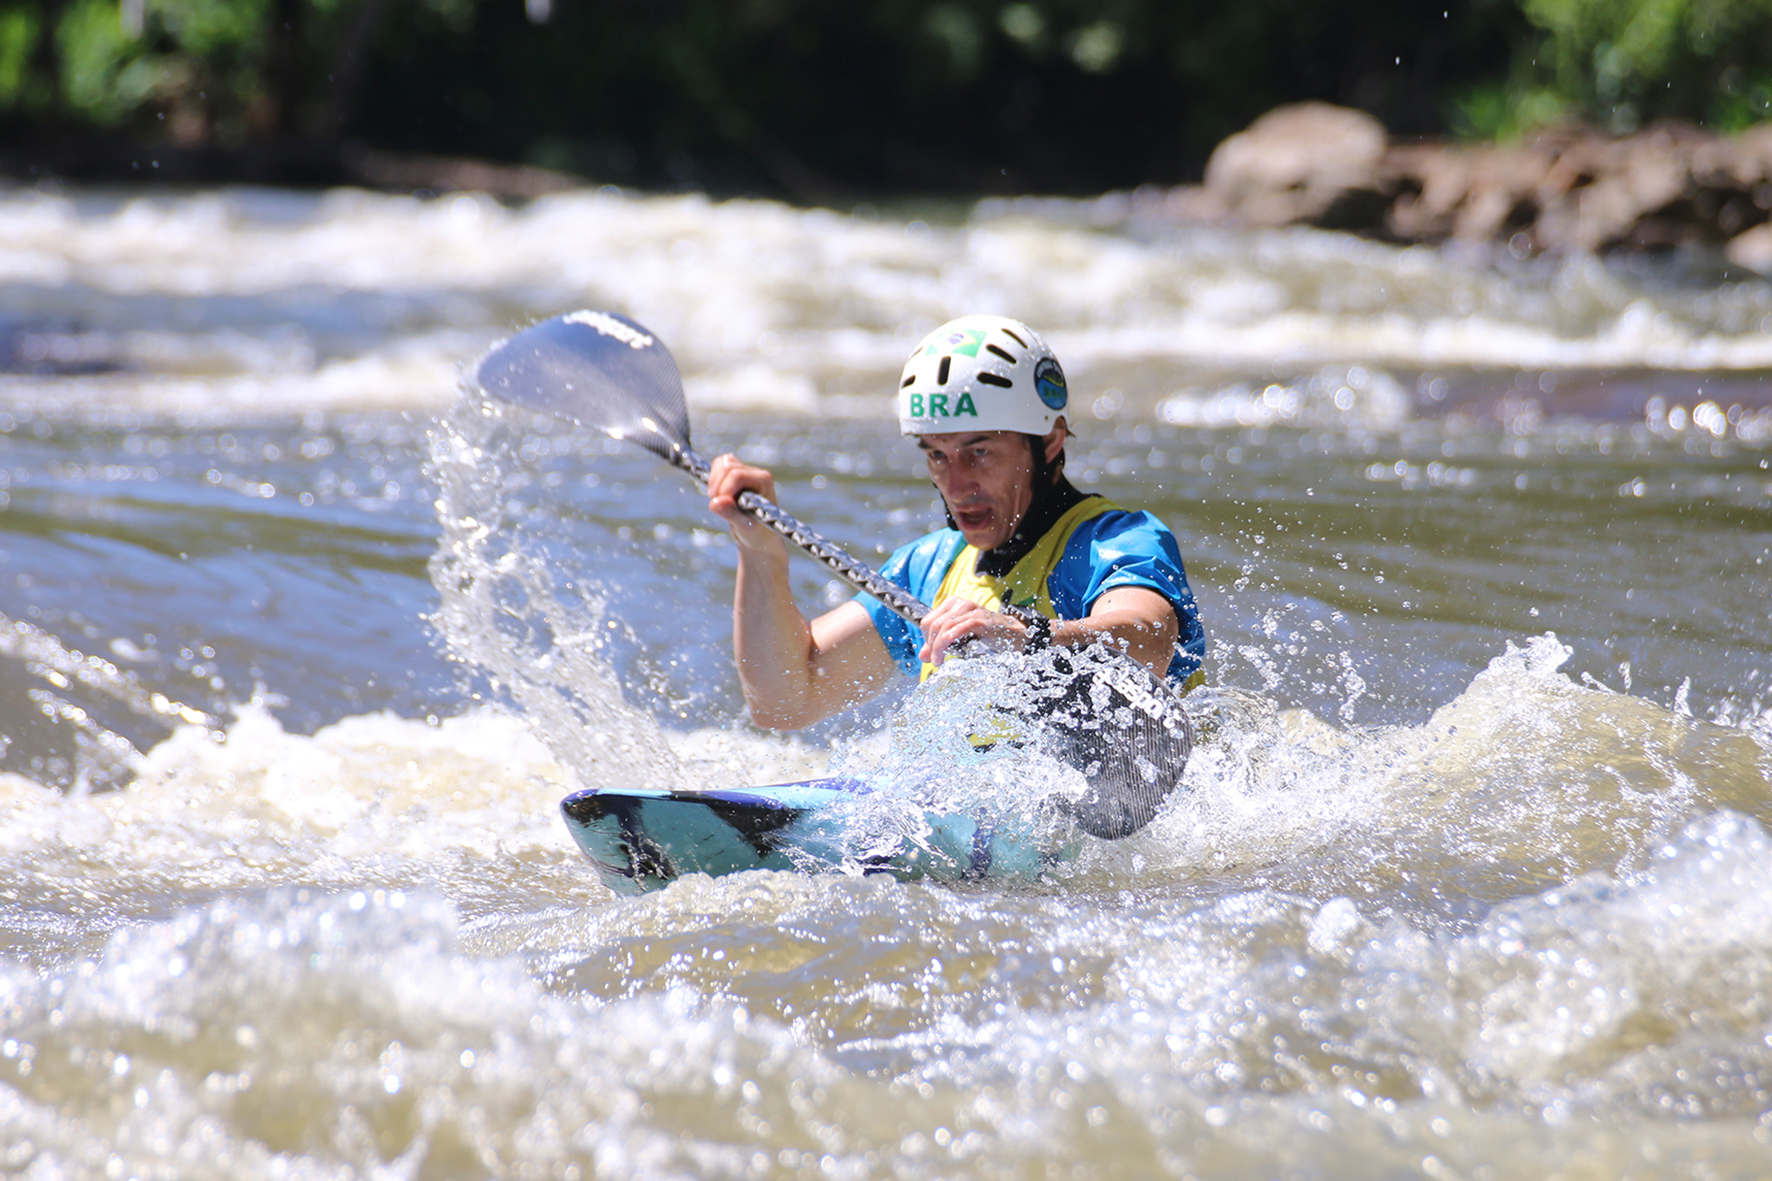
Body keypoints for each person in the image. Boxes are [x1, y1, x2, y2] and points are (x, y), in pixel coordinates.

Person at [706, 314, 1206, 739]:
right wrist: (760, 552)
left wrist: (1023, 637)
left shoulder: (1118, 541)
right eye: (938, 456)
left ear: (1049, 441)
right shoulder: (929, 568)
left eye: (979, 452)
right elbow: (785, 701)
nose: (957, 483)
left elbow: (1147, 643)